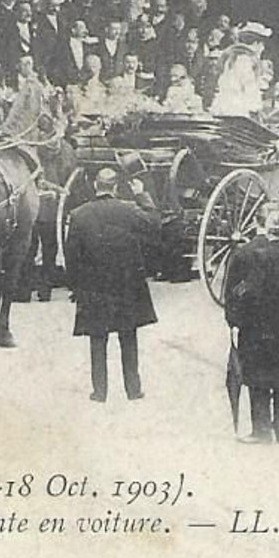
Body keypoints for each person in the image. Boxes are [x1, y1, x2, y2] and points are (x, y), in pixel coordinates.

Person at [64, 167, 160, 403]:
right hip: (127, 287)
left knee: (97, 340)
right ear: (116, 188)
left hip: (94, 288)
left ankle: (100, 392)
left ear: (96, 186)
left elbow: (71, 257)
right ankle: (133, 389)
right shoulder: (128, 209)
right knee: (129, 338)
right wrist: (142, 195)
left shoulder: (79, 215)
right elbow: (154, 223)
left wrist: (76, 288)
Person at [224, 204, 279, 444]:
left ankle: (261, 431)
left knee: (258, 379)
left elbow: (235, 293)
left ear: (267, 230)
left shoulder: (248, 255)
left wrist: (235, 321)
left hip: (257, 328)